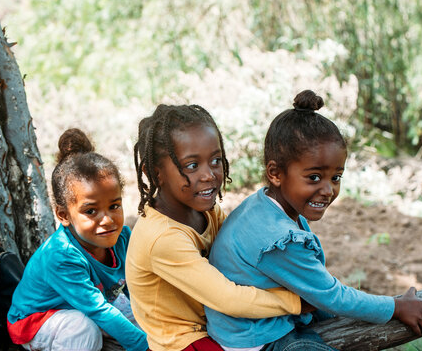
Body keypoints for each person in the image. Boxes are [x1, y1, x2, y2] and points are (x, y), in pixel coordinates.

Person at [205, 90, 422, 351]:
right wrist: (396, 307)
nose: (328, 190)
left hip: (263, 319)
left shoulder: (264, 204)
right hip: (256, 338)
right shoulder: (278, 240)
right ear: (275, 173)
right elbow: (332, 296)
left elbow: (321, 289)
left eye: (336, 177)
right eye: (314, 177)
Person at [126, 104, 304, 351]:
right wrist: (296, 301)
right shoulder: (162, 237)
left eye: (216, 160)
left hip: (218, 322)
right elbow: (228, 298)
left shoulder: (205, 210)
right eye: (191, 166)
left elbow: (242, 253)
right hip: (186, 340)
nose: (209, 174)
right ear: (155, 174)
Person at [7, 129, 148, 351]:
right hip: (36, 320)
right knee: (82, 330)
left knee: (140, 318)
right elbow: (98, 310)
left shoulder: (122, 238)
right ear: (63, 215)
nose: (107, 220)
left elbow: (134, 287)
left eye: (114, 206)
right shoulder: (61, 256)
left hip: (86, 302)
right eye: (91, 211)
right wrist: (144, 346)